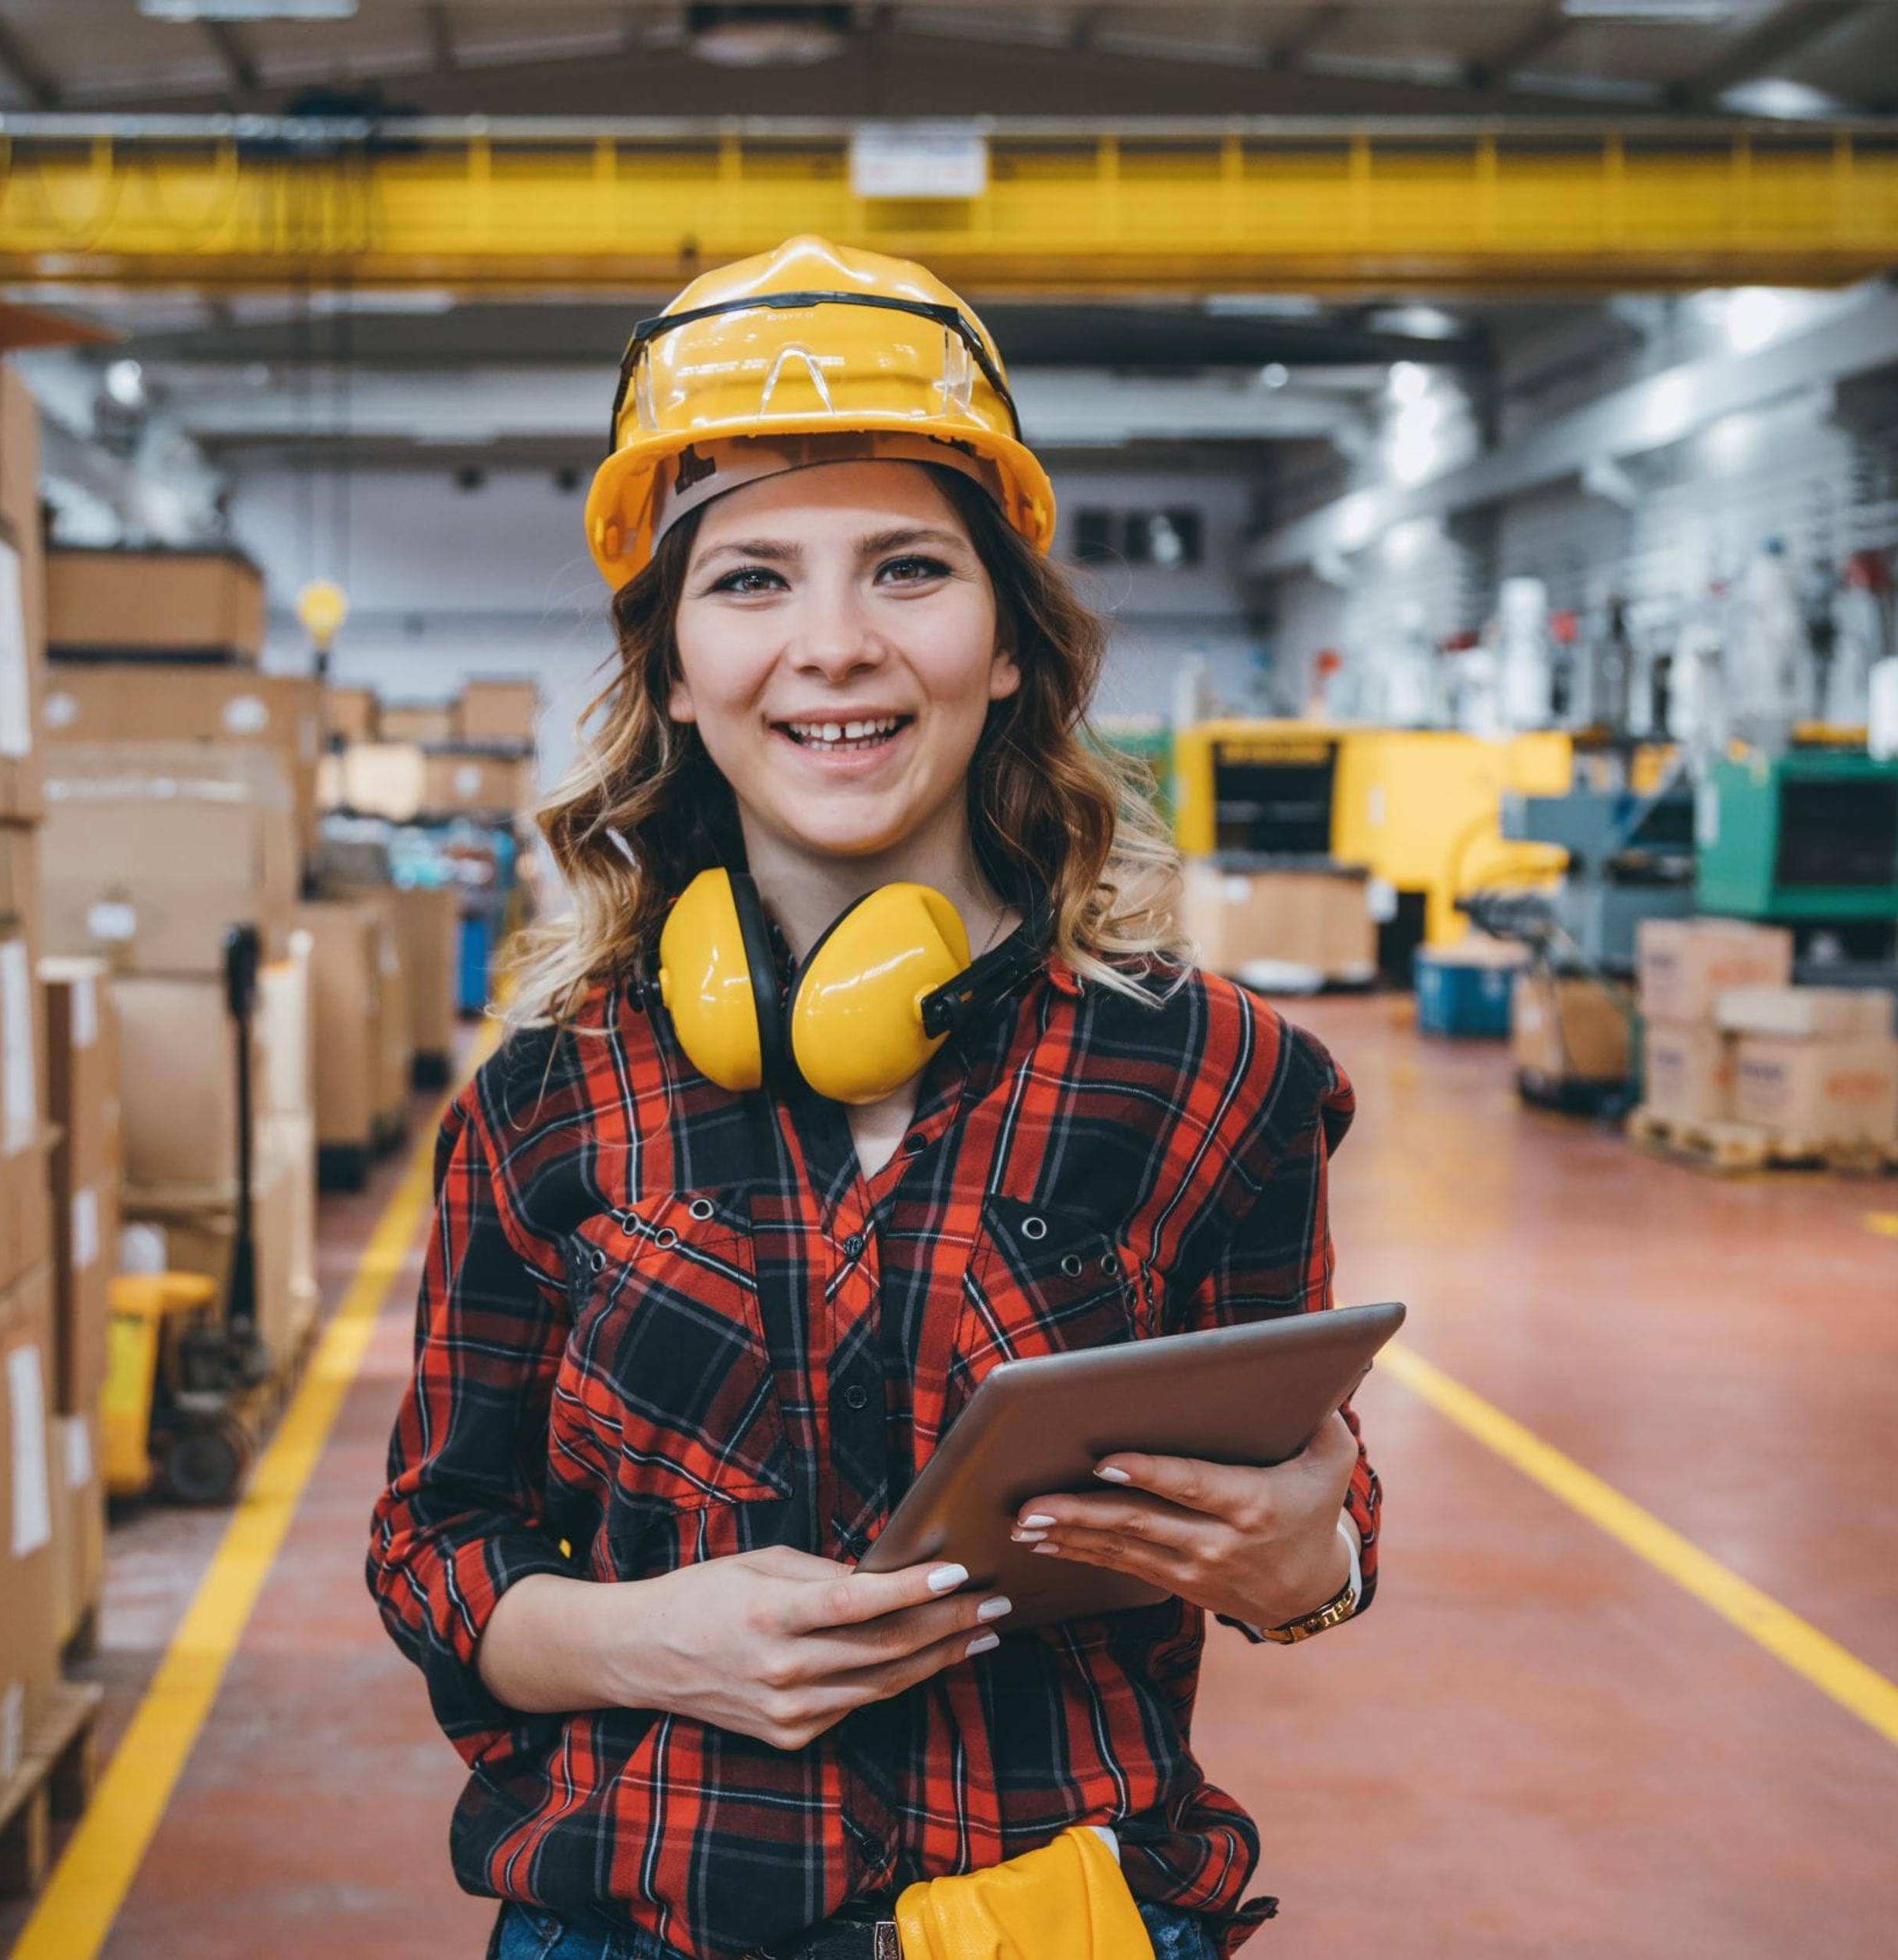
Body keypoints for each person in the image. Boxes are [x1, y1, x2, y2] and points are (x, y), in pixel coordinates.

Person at [368, 235, 1382, 1960]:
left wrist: (1313, 1570)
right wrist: (649, 1641)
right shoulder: (552, 1098)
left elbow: (1309, 1494)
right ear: (676, 668)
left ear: (1006, 646)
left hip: (1060, 1925)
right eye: (752, 581)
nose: (832, 648)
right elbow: (435, 1549)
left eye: (908, 570)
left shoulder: (1217, 1072)